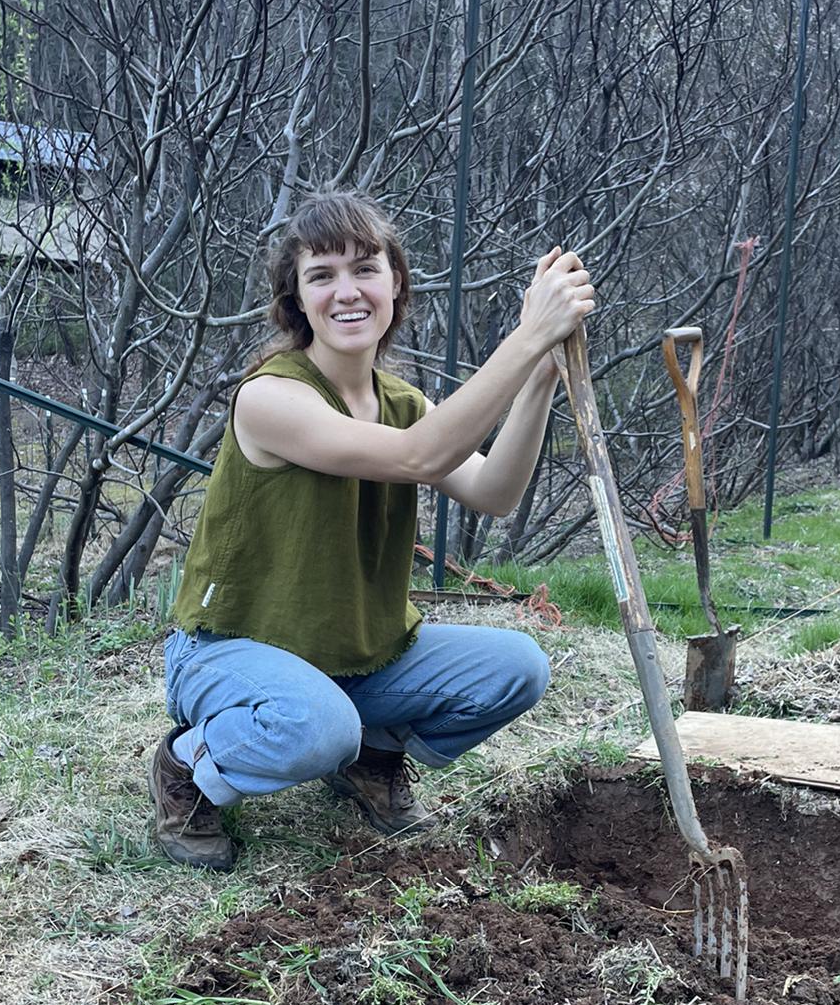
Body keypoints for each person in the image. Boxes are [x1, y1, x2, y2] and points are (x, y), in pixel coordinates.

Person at [150, 189, 594, 869]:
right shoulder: (271, 397)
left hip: (353, 657)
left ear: (395, 283)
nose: (346, 291)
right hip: (227, 649)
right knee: (318, 726)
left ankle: (371, 759)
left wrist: (538, 377)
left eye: (365, 268)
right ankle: (187, 767)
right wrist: (526, 335)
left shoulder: (401, 403)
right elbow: (421, 457)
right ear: (296, 300)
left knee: (518, 670)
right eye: (321, 275)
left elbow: (494, 492)